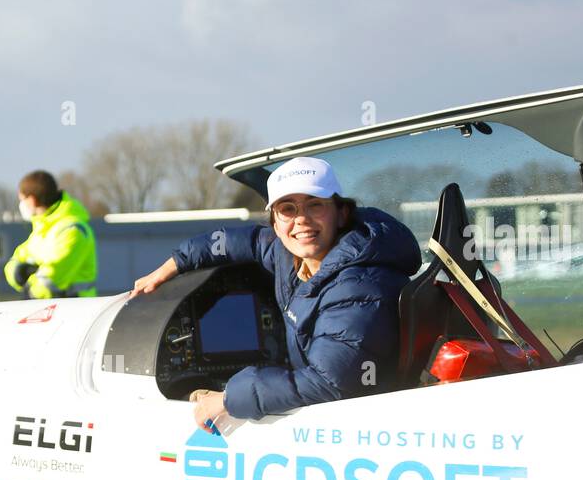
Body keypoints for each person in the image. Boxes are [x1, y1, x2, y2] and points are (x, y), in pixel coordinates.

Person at [131, 156, 421, 429]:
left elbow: (329, 383)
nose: (302, 220)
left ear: (342, 213)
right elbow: (231, 242)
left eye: (315, 205)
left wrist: (228, 398)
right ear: (275, 223)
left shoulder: (358, 285)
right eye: (288, 209)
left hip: (363, 420)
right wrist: (174, 264)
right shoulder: (286, 253)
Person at [3, 170, 97, 299]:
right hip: (48, 310)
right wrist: (19, 273)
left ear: (31, 201)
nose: (21, 205)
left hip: (75, 312)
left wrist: (29, 291)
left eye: (22, 200)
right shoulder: (42, 229)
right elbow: (14, 262)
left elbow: (51, 279)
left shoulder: (73, 230)